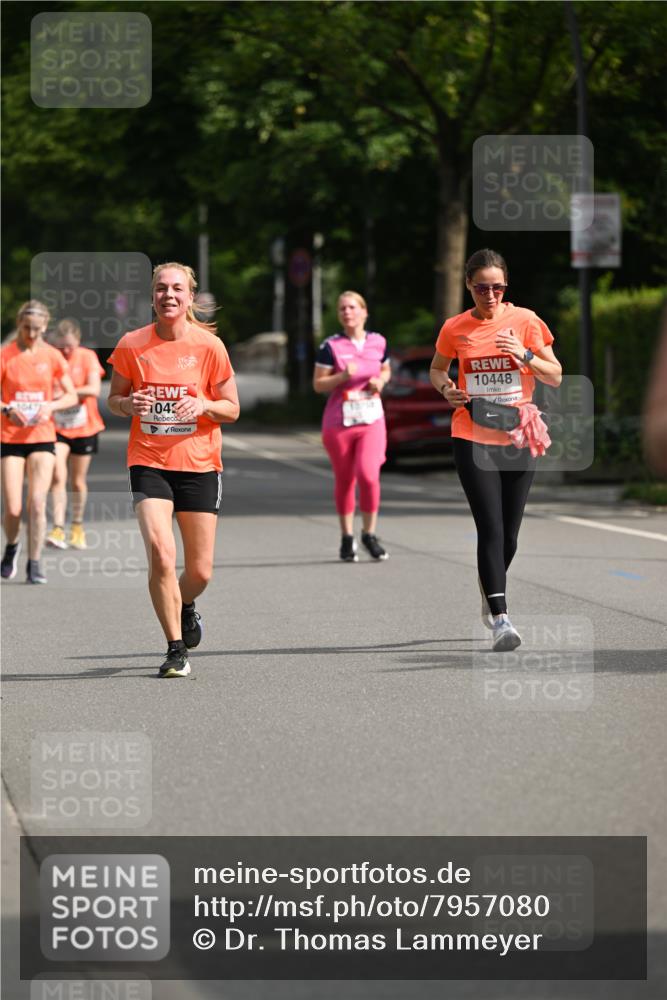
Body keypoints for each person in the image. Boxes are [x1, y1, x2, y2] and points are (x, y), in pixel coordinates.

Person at [107, 263, 239, 678]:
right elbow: (114, 398)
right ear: (152, 296)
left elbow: (232, 408)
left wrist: (203, 405)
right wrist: (129, 406)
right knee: (162, 555)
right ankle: (175, 648)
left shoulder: (209, 347)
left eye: (177, 289)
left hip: (199, 464)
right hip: (149, 462)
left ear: (189, 297)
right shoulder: (132, 344)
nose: (169, 295)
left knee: (199, 571)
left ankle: (185, 605)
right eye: (161, 288)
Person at [430, 249, 562, 651]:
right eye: (482, 287)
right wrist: (446, 389)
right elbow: (438, 369)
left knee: (510, 538)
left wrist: (522, 355)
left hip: (519, 434)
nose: (490, 294)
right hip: (471, 434)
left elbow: (555, 374)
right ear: (469, 286)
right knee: (490, 527)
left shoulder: (525, 321)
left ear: (506, 286)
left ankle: (490, 587)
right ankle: (501, 617)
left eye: (497, 287)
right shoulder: (455, 328)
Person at [1, 301, 78, 583]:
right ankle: (11, 547)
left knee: (36, 502)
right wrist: (7, 409)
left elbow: (71, 395)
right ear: (19, 325)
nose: (32, 334)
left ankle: (34, 563)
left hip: (43, 436)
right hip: (10, 437)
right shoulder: (6, 355)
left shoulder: (53, 356)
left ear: (45, 327)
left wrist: (51, 407)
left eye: (37, 329)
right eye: (26, 328)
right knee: (12, 507)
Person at [313, 291, 391, 562]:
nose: (347, 312)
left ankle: (369, 534)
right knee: (345, 480)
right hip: (340, 421)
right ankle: (347, 538)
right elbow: (318, 384)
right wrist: (342, 376)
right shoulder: (331, 346)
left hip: (372, 419)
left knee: (368, 475)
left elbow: (385, 369)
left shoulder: (378, 341)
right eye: (342, 308)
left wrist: (381, 381)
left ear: (364, 312)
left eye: (352, 307)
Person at [46, 318, 106, 550]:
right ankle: (58, 528)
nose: (66, 351)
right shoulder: (51, 358)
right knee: (57, 476)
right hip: (57, 428)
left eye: (70, 345)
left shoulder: (87, 356)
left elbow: (94, 389)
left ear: (78, 341)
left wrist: (67, 394)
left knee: (77, 481)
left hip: (85, 426)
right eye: (61, 347)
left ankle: (77, 526)